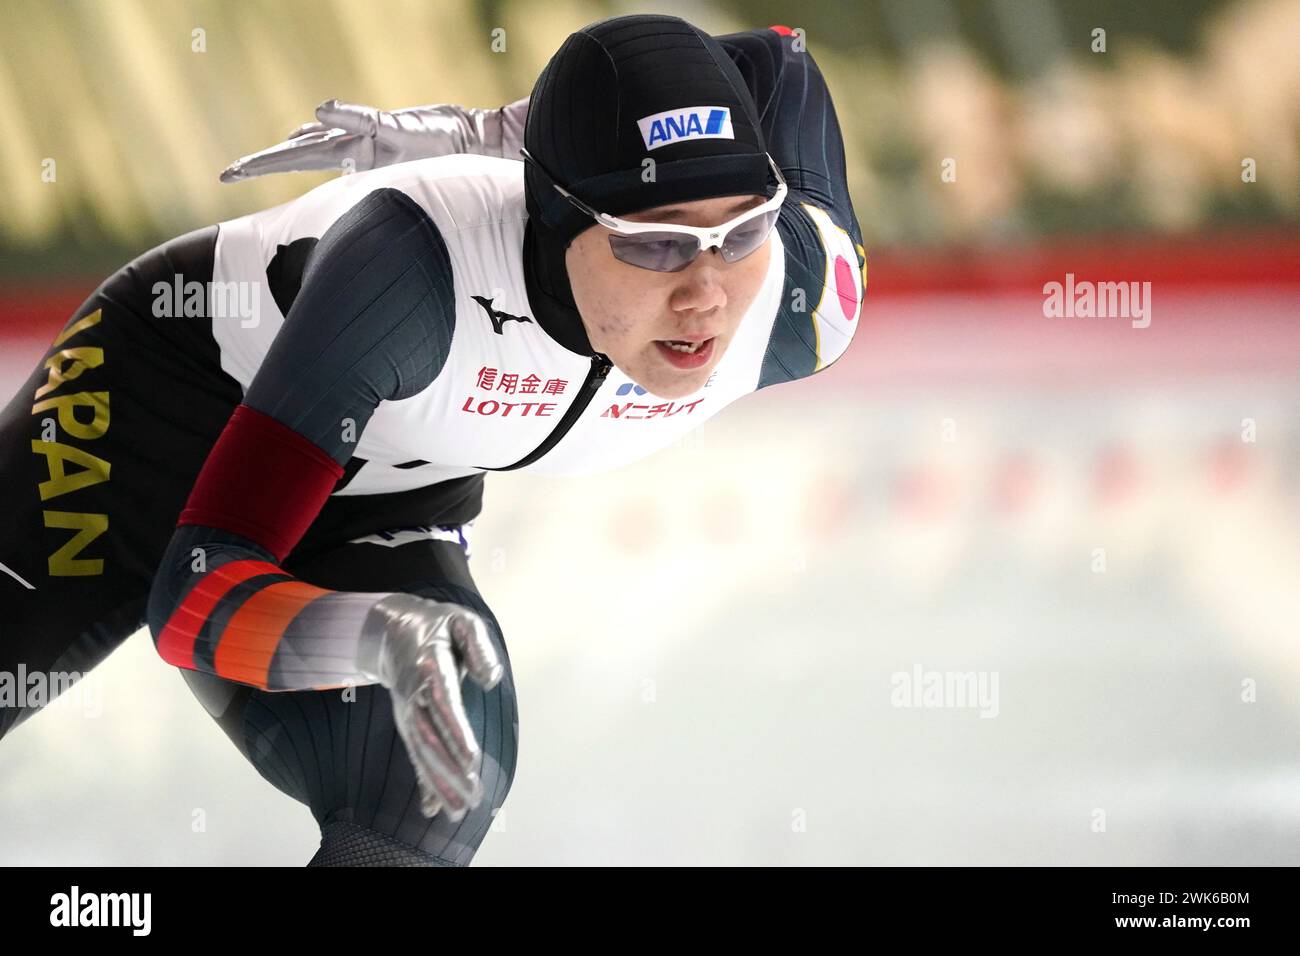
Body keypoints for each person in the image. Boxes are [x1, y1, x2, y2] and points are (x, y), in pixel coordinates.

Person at [0, 14, 864, 865]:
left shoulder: (802, 304)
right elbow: (193, 599)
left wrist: (493, 129)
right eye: (655, 244)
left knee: (429, 784)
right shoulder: (412, 270)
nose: (707, 295)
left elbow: (777, 54)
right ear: (554, 215)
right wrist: (363, 635)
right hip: (151, 414)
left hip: (382, 486)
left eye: (739, 231)